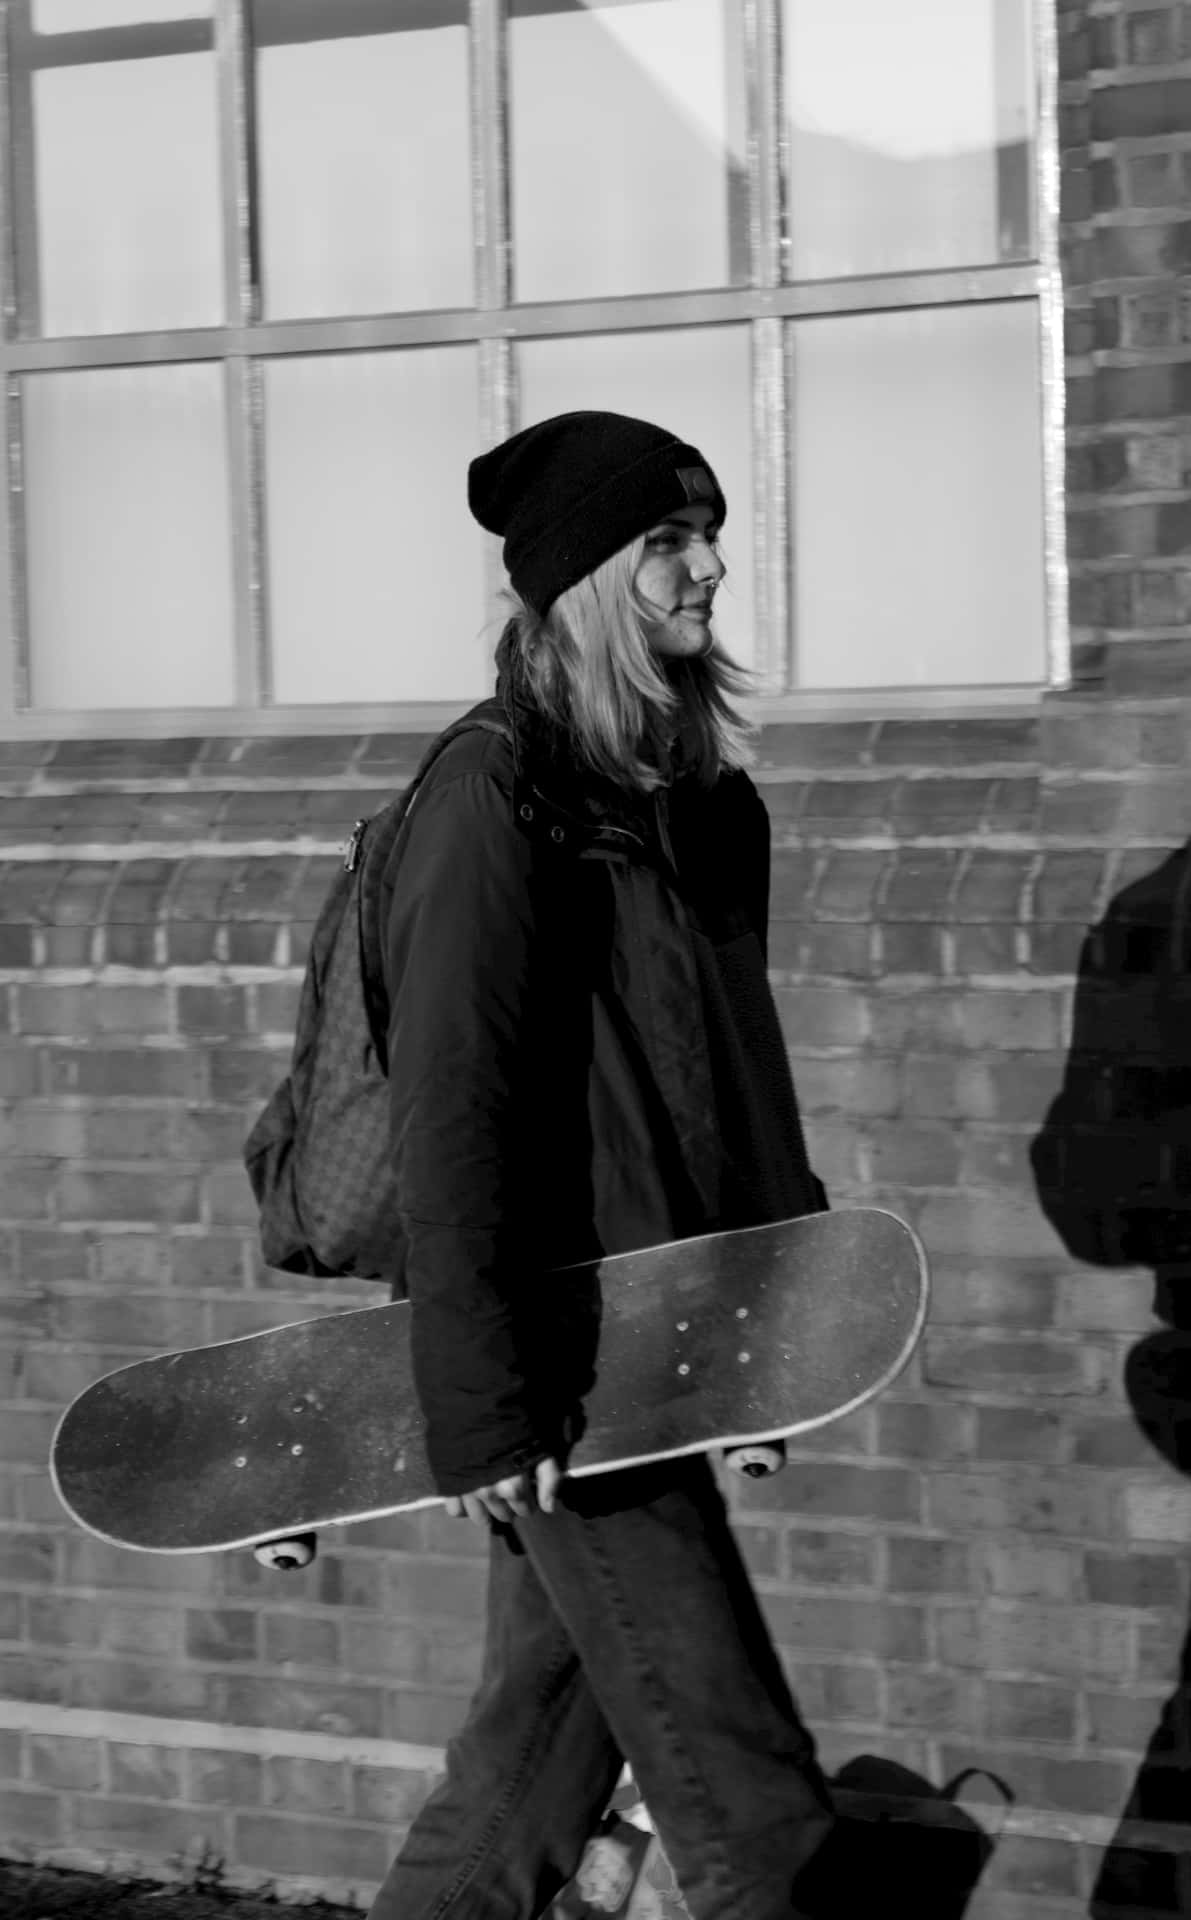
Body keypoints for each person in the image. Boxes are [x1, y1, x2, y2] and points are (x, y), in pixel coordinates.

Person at [367, 411, 838, 1920]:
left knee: (525, 1781)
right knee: (755, 1814)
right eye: (666, 543)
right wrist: (488, 1411)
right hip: (567, 1382)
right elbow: (454, 1122)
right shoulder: (496, 806)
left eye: (708, 532)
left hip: (658, 1353)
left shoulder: (691, 802)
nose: (707, 567)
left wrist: (769, 1333)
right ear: (581, 578)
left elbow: (737, 1080)